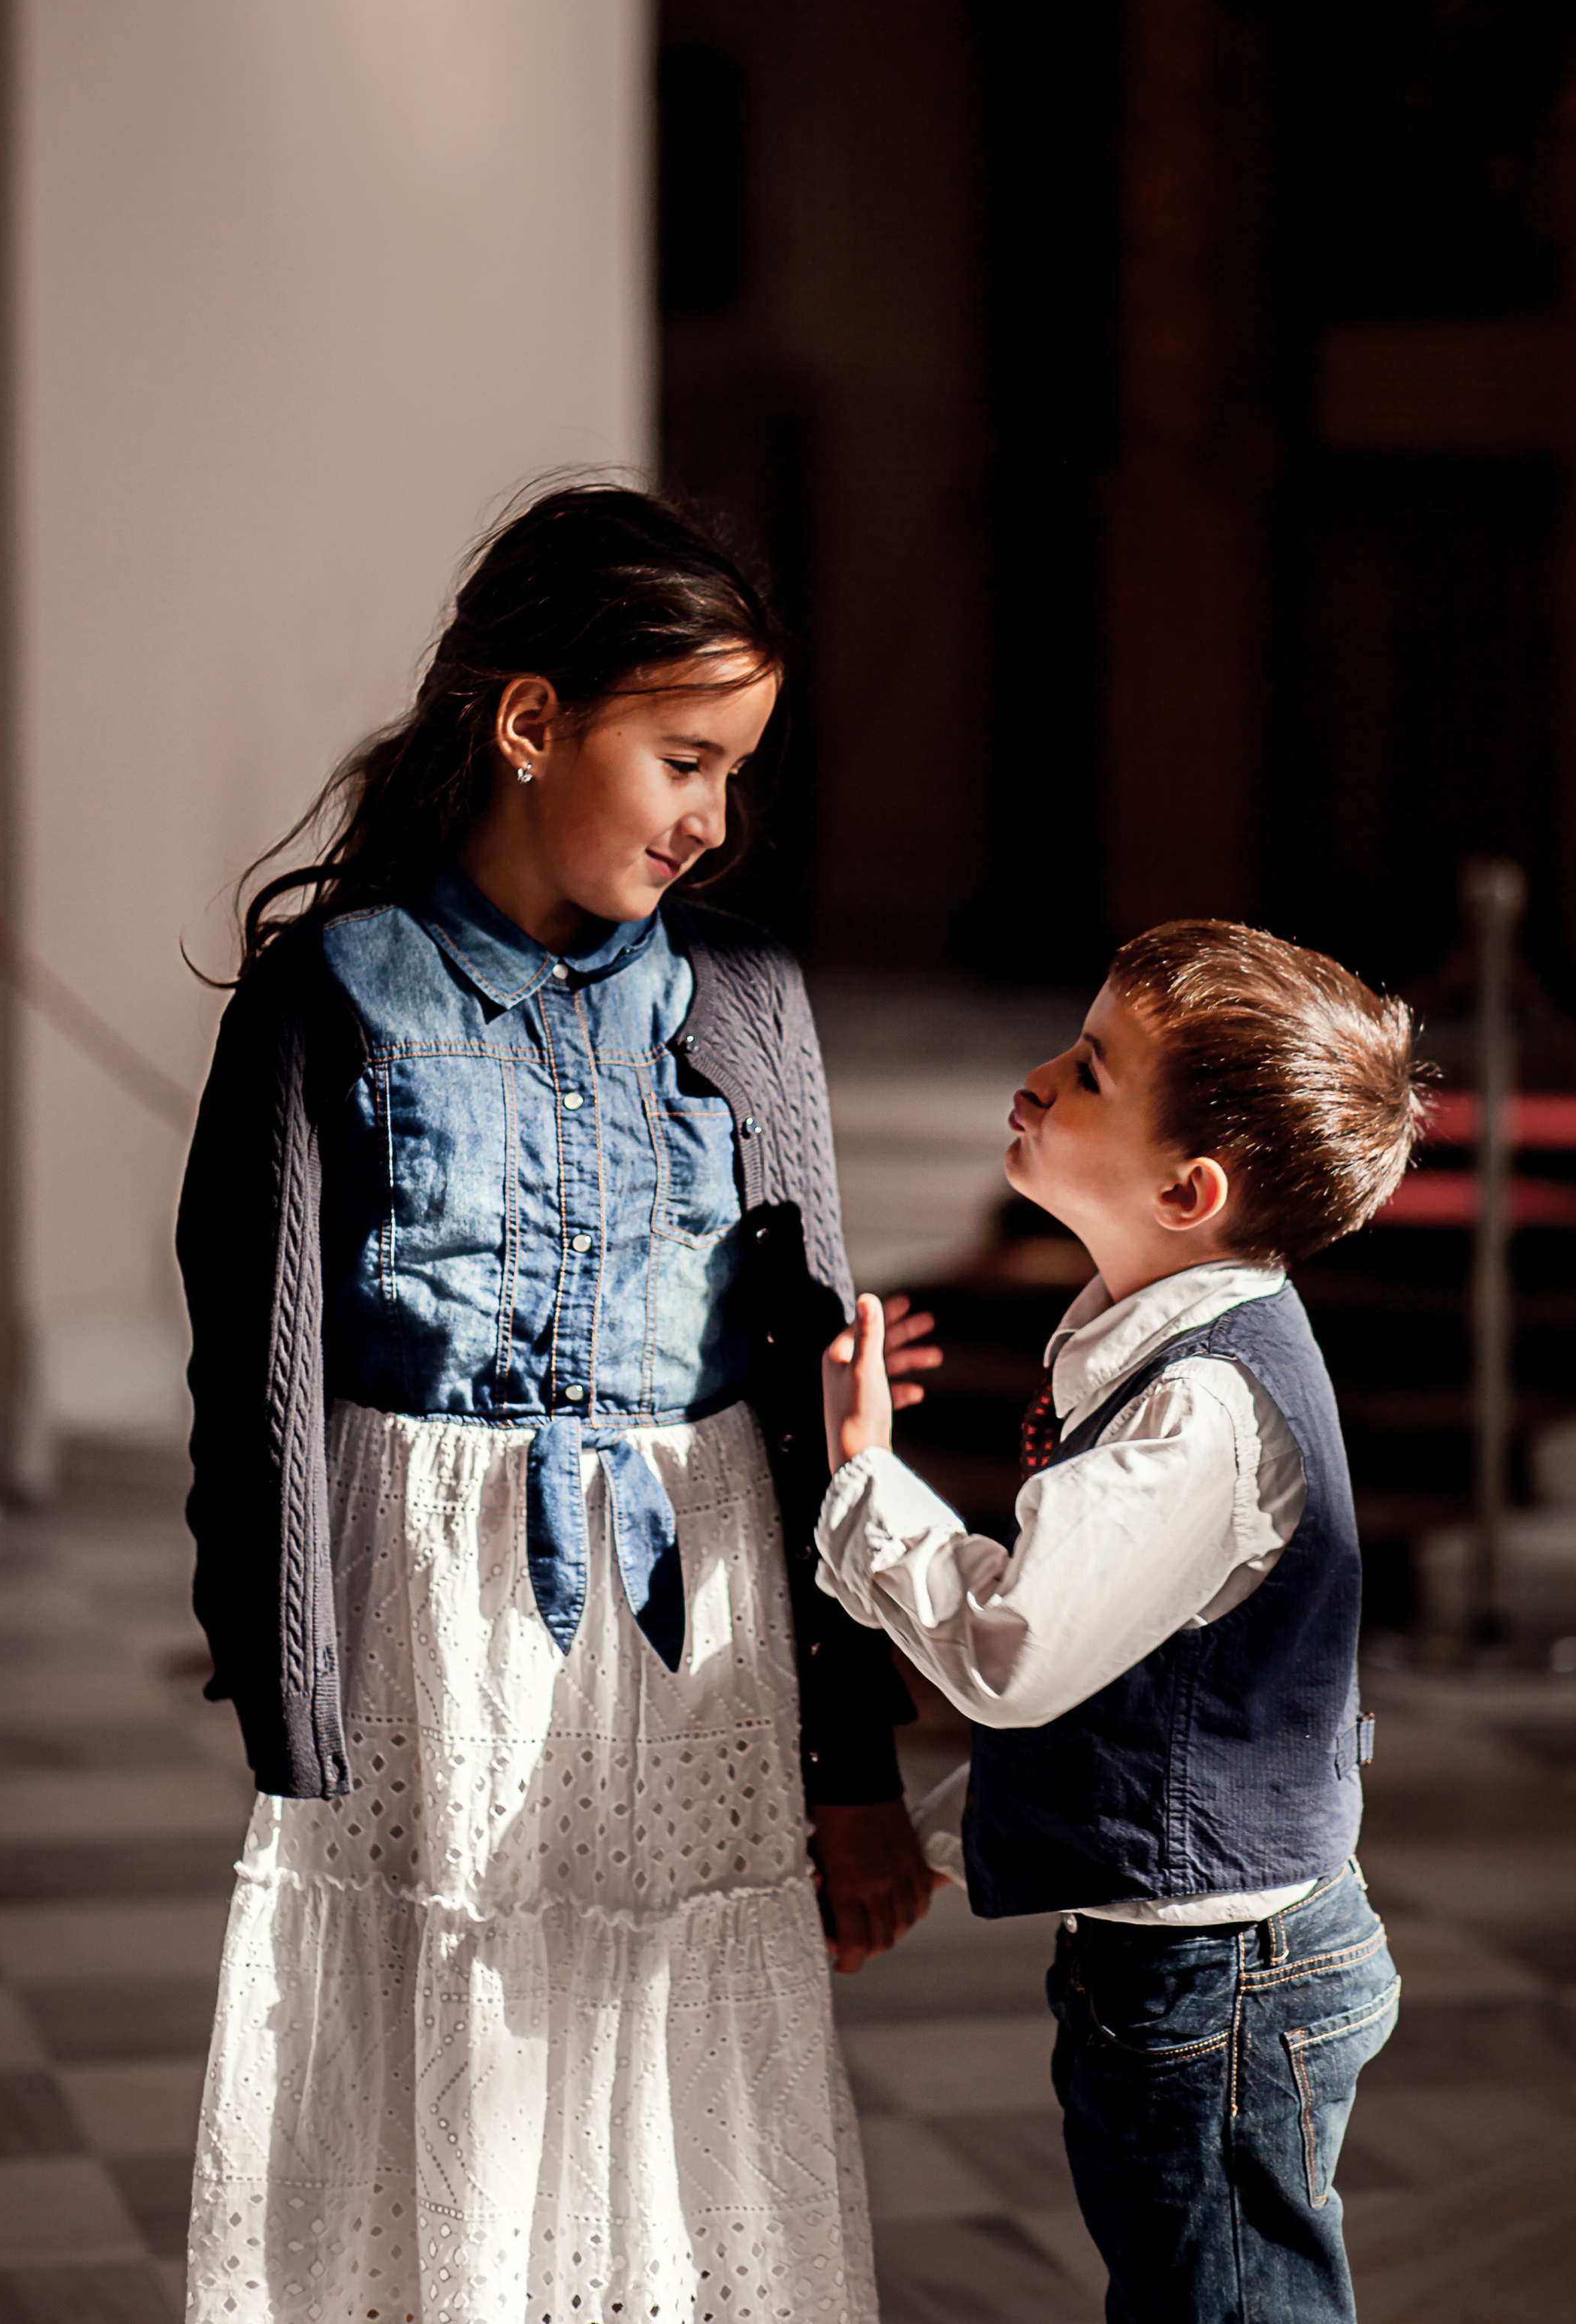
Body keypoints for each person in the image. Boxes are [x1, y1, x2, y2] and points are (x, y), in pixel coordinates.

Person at [179, 480, 936, 2324]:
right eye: (683, 760)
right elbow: (255, 1390)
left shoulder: (741, 1003)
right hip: (432, 1654)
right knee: (456, 2060)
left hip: (697, 1650)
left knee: (668, 2078)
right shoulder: (323, 1003)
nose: (712, 820)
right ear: (529, 723)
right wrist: (294, 1709)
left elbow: (804, 1410)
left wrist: (852, 1772)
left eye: (733, 773)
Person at [816, 920, 1420, 2324]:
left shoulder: (1201, 1405)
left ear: (1187, 1189)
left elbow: (1014, 1651)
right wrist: (943, 1840)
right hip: (1193, 1970)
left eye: (1089, 1070)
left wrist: (862, 1471)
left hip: (1220, 1990)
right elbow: (1121, 1695)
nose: (1035, 1077)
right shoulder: (1162, 1343)